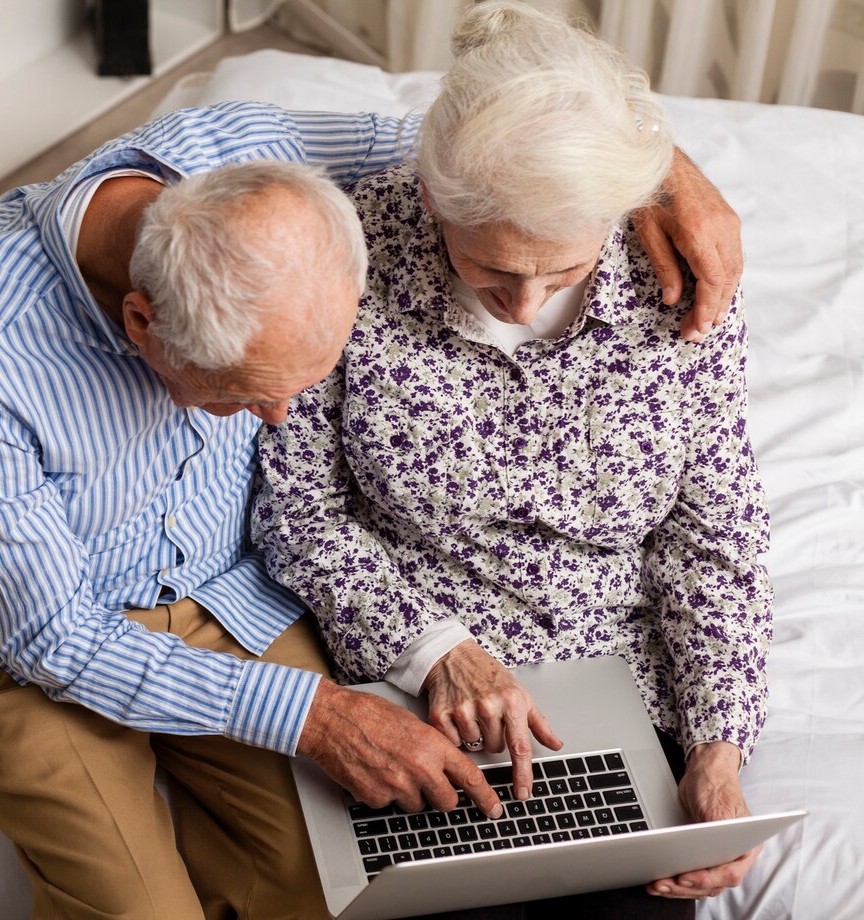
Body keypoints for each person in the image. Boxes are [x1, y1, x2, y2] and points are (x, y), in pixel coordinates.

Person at [0, 96, 744, 918]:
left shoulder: (247, 149)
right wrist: (314, 715)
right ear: (139, 321)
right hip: (39, 651)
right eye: (240, 397)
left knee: (365, 883)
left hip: (231, 596)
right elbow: (54, 640)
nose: (278, 425)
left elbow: (490, 145)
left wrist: (667, 175)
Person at [252, 4, 773, 917]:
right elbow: (300, 514)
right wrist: (437, 653)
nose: (527, 301)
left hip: (616, 683)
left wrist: (716, 752)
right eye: (492, 270)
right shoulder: (344, 261)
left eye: (562, 272)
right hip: (412, 691)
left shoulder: (684, 290)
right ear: (430, 198)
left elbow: (713, 536)